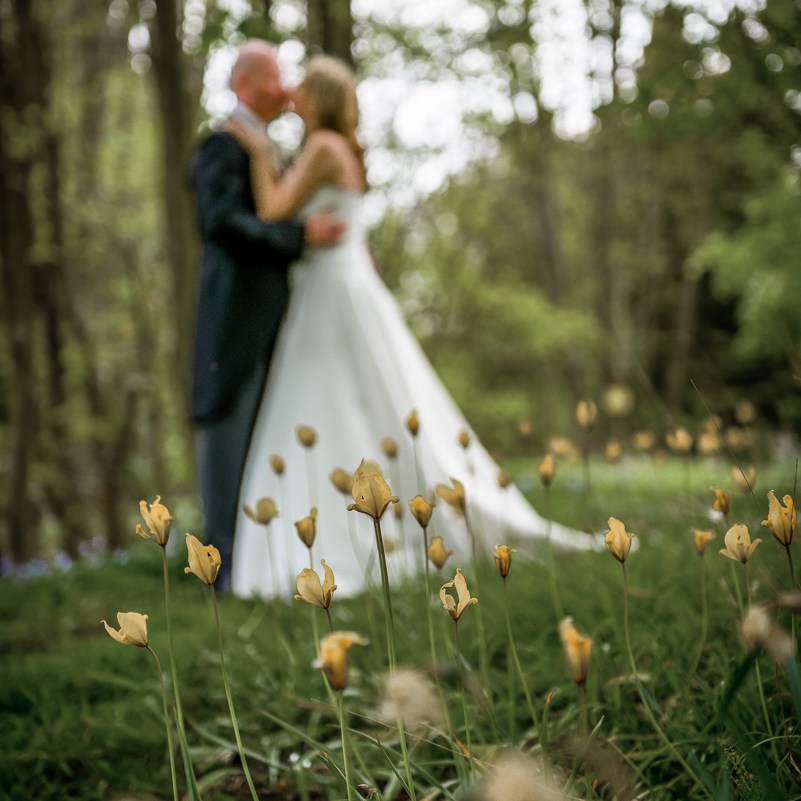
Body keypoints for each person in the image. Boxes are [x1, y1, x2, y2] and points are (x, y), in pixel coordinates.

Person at [229, 55, 589, 599]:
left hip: (330, 290)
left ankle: (357, 536)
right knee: (362, 400)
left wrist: (257, 153)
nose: (293, 95)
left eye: (302, 87)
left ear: (320, 97)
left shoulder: (324, 147)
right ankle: (384, 521)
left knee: (329, 399)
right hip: (342, 284)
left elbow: (275, 208)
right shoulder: (339, 149)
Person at [189, 42, 345, 591]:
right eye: (277, 79)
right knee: (228, 428)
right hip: (235, 319)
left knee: (261, 436)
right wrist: (299, 235)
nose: (285, 91)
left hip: (278, 317)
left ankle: (252, 560)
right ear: (249, 83)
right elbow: (224, 224)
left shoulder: (268, 147)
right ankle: (220, 565)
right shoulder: (221, 147)